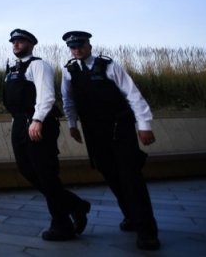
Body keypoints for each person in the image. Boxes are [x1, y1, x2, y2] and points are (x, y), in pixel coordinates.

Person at [60, 31, 160, 251]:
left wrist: (144, 125)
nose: (76, 50)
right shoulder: (69, 72)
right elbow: (68, 100)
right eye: (73, 47)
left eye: (80, 46)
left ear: (89, 46)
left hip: (119, 129)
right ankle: (131, 217)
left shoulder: (108, 65)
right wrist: (72, 125)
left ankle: (147, 232)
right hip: (94, 133)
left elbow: (133, 95)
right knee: (111, 176)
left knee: (131, 177)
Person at [4, 29, 90, 241]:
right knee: (27, 170)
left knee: (46, 174)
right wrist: (16, 123)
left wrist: (37, 120)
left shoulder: (38, 65)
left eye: (20, 41)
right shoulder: (12, 70)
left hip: (38, 124)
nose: (16, 44)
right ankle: (75, 205)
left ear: (31, 44)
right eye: (13, 41)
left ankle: (61, 225)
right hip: (20, 125)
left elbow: (47, 97)